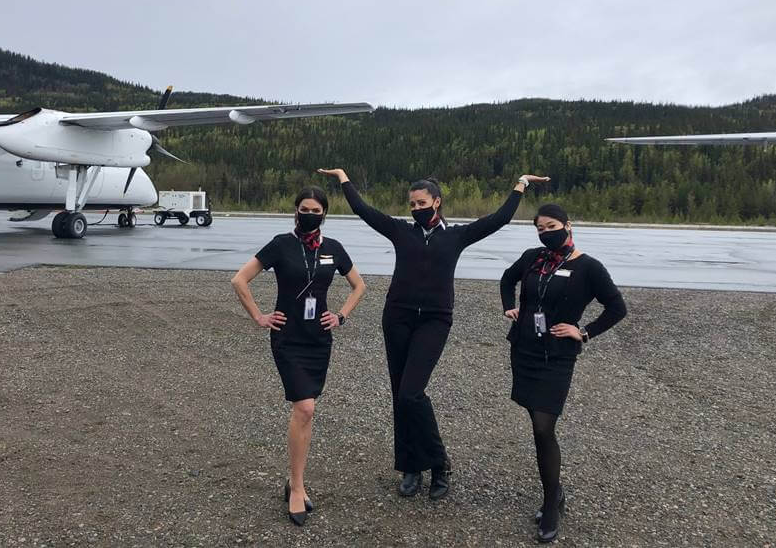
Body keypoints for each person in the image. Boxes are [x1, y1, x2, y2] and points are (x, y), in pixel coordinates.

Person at [318, 167, 549, 500]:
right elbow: (363, 210)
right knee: (401, 395)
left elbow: (498, 219)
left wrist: (521, 185)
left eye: (421, 202)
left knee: (412, 393)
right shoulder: (400, 231)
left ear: (437, 202)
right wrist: (343, 179)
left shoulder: (455, 236)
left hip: (434, 321)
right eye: (412, 204)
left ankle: (439, 462)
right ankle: (410, 466)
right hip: (397, 318)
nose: (415, 208)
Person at [230, 186, 366, 526]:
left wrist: (341, 316)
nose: (309, 215)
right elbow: (239, 280)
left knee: (305, 412)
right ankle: (297, 487)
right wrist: (259, 316)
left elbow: (359, 285)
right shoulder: (280, 244)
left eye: (316, 211)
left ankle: (295, 479)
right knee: (305, 407)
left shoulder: (333, 250)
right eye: (304, 209)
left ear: (324, 215)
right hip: (287, 337)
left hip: (319, 340)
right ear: (295, 211)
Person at [499, 203, 627, 543]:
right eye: (540, 228)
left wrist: (583, 332)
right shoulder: (532, 258)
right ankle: (555, 493)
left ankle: (551, 503)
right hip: (524, 349)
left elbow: (617, 308)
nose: (545, 232)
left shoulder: (588, 268)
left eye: (551, 226)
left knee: (544, 427)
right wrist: (509, 306)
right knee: (535, 421)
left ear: (568, 226)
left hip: (557, 358)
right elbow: (507, 279)